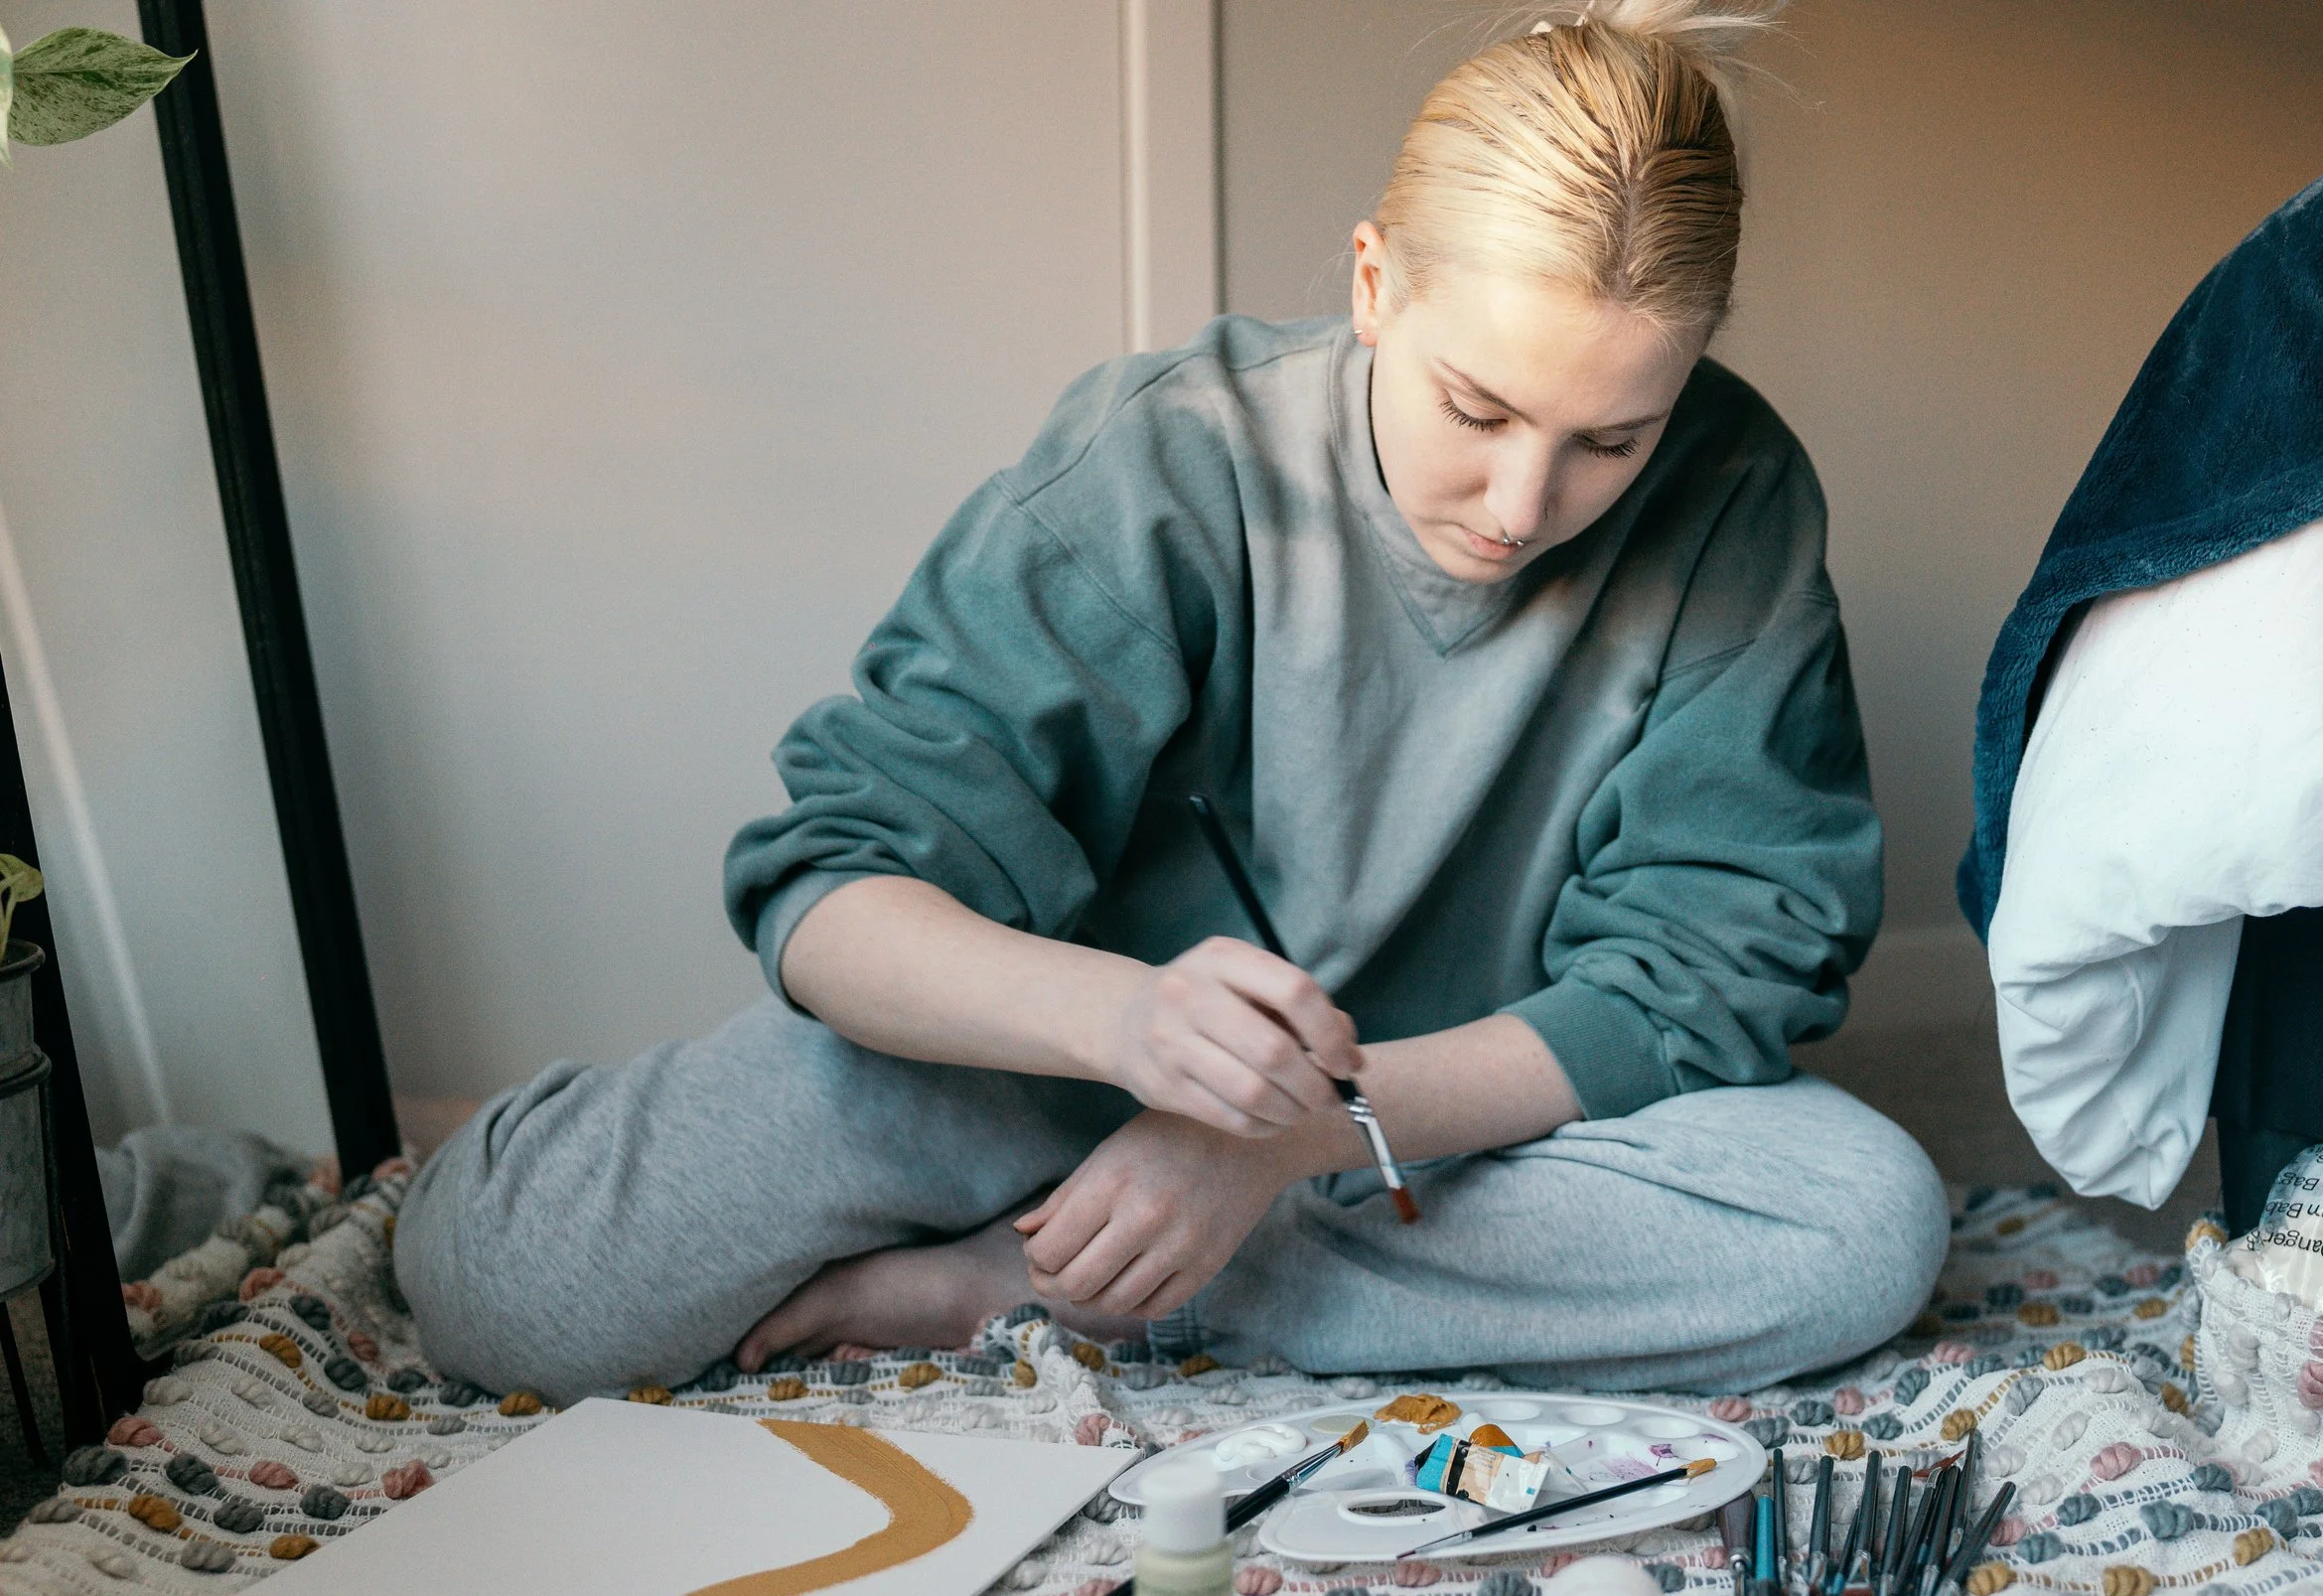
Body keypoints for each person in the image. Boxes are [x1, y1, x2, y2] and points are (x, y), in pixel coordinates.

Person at [396, 0, 1948, 1405]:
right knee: (507, 1283)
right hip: (1058, 1073)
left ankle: (1069, 1285)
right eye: (1476, 408)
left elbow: (1711, 966)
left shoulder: (1736, 493)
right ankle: (1114, 1223)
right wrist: (1131, 1029)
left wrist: (1288, 1138)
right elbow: (835, 889)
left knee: (1858, 1222)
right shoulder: (1166, 460)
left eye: (1615, 441)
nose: (1524, 502)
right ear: (1370, 281)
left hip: (1445, 1122)